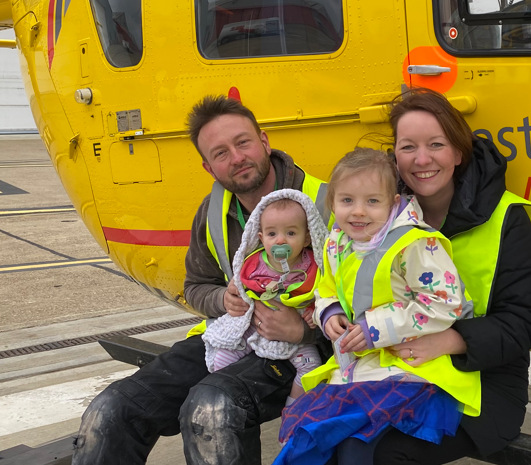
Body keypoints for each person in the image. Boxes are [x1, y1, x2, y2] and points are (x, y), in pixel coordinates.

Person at [72, 95, 331, 465]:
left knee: (212, 408)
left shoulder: (325, 202)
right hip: (235, 336)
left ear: (265, 141)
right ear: (209, 167)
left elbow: (366, 295)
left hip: (309, 349)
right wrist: (223, 301)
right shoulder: (211, 213)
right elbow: (196, 287)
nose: (237, 157)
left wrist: (305, 329)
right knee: (110, 409)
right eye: (221, 153)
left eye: (243, 142)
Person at [368, 87, 531, 463]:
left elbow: (522, 324)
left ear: (458, 153)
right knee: (328, 440)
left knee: (383, 454)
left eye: (436, 144)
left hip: (485, 382)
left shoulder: (508, 219)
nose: (421, 159)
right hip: (395, 370)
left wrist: (451, 341)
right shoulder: (381, 216)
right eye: (407, 147)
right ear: (394, 156)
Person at [274, 148, 479, 465]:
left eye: (372, 201)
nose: (358, 212)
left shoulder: (414, 243)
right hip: (362, 370)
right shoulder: (337, 243)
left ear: (394, 203)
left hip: (410, 372)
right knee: (318, 447)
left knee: (355, 450)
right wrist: (329, 312)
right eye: (347, 201)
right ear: (333, 204)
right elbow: (326, 287)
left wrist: (375, 328)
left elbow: (444, 302)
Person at [202, 190, 329, 407]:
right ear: (260, 238)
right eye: (272, 234)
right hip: (254, 326)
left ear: (307, 237)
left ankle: (293, 407)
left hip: (297, 333)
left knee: (312, 365)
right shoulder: (254, 264)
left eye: (290, 233)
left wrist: (313, 313)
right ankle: (223, 397)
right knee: (223, 356)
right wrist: (236, 289)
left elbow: (324, 293)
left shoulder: (316, 267)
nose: (280, 240)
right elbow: (241, 286)